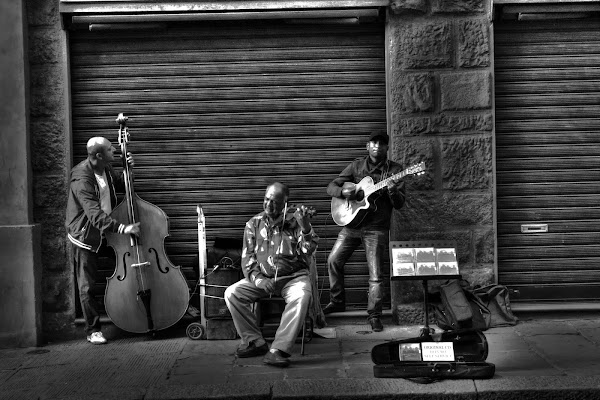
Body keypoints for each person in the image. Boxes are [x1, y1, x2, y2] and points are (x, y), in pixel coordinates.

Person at [224, 182, 318, 368]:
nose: (269, 205)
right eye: (266, 199)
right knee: (232, 293)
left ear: (285, 203)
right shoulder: (253, 224)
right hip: (262, 279)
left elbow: (308, 251)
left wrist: (306, 228)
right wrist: (260, 280)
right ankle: (255, 342)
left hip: (293, 278)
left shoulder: (296, 221)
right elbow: (248, 260)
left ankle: (278, 349)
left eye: (275, 202)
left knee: (302, 294)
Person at [324, 132, 406, 332]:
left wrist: (393, 191)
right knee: (333, 260)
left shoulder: (395, 171)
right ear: (367, 146)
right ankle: (337, 301)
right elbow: (331, 186)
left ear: (387, 148)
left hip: (376, 228)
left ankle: (375, 315)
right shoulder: (356, 166)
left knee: (376, 275)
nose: (377, 146)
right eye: (374, 142)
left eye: (382, 143)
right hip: (351, 225)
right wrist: (343, 192)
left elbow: (400, 204)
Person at [65, 137, 141, 345]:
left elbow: (119, 185)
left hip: (108, 229)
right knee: (87, 285)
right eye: (110, 148)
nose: (114, 149)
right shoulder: (81, 177)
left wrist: (127, 171)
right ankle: (93, 330)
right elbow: (94, 214)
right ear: (98, 155)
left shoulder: (106, 169)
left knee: (134, 260)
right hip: (86, 234)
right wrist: (123, 228)